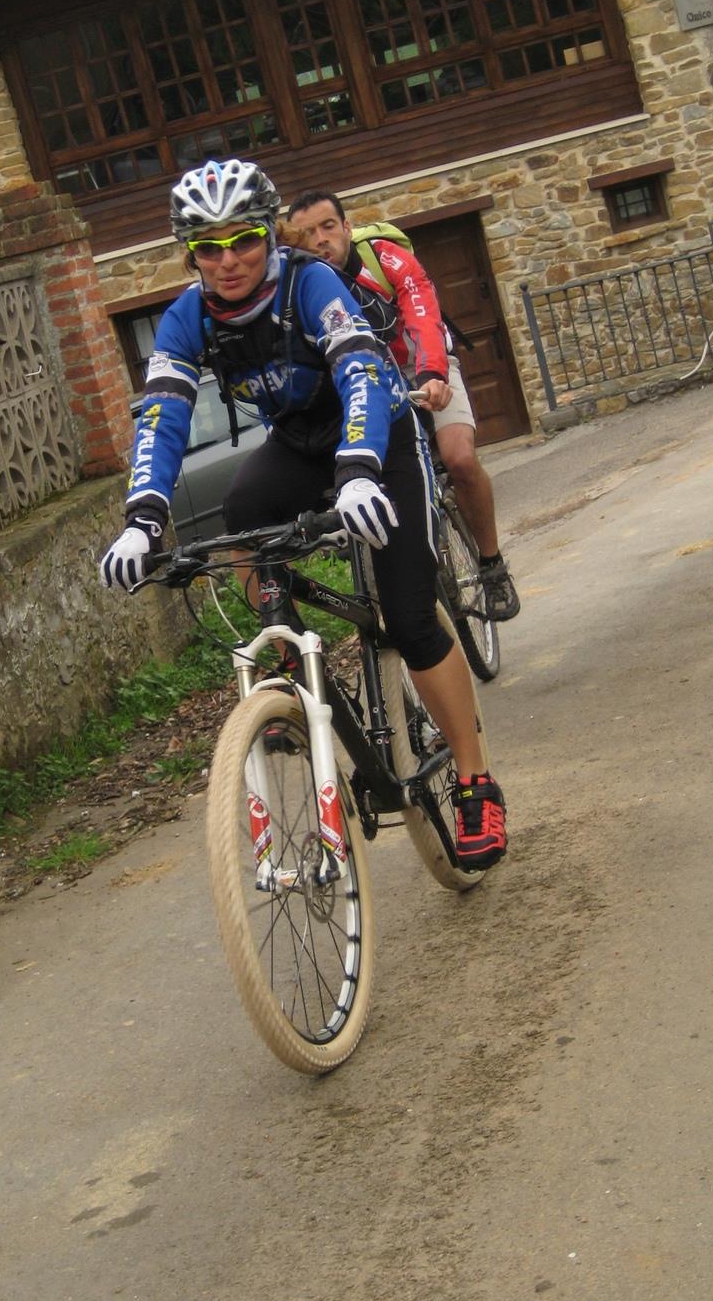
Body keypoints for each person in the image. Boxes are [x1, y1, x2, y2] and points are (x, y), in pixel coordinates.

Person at [99, 158, 507, 869]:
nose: (228, 260)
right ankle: (287, 651)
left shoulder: (309, 281)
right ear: (191, 254)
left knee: (411, 619)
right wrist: (143, 518)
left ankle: (476, 781)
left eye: (243, 240)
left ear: (268, 235)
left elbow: (359, 370)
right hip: (299, 441)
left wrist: (359, 471)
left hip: (381, 436)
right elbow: (162, 413)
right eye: (209, 247)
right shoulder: (187, 317)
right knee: (243, 509)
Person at [285, 189, 520, 622]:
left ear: (347, 227)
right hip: (364, 383)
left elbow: (422, 313)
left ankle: (492, 566)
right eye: (307, 234)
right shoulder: (297, 287)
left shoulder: (384, 258)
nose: (320, 240)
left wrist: (432, 373)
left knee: (459, 458)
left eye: (328, 227)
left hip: (418, 366)